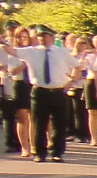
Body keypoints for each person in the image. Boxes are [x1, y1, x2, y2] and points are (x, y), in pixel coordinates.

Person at [24, 25, 77, 161]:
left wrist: (71, 81)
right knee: (40, 124)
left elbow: (78, 65)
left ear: (52, 38)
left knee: (59, 124)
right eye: (40, 36)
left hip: (58, 91)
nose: (42, 39)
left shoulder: (62, 52)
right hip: (40, 91)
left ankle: (57, 152)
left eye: (45, 36)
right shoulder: (32, 51)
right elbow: (12, 51)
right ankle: (40, 153)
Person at [6, 27, 32, 158]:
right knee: (22, 118)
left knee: (34, 117)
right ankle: (24, 148)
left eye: (25, 37)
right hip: (20, 84)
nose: (23, 39)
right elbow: (12, 71)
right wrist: (24, 64)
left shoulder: (33, 51)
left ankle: (34, 145)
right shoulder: (14, 52)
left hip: (32, 85)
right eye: (20, 37)